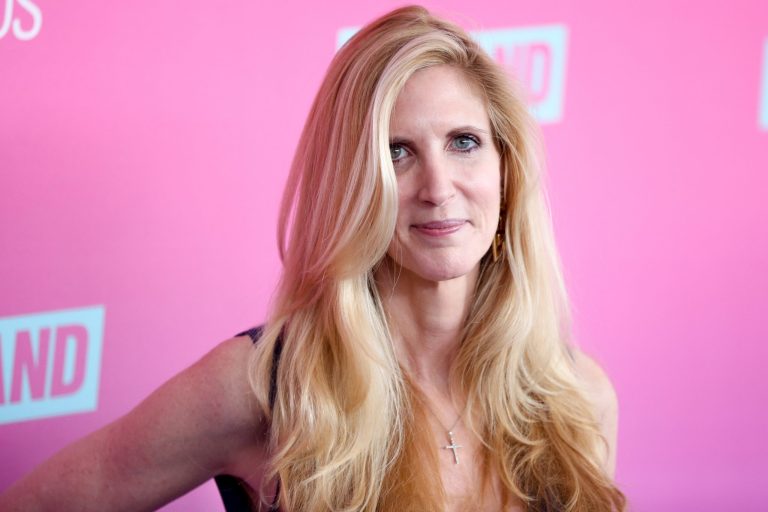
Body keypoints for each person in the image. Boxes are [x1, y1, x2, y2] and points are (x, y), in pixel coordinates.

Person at [0, 5, 626, 511]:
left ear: (506, 170)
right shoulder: (263, 387)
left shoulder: (578, 396)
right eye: (397, 152)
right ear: (351, 184)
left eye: (464, 142)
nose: (438, 188)